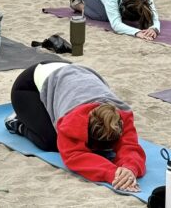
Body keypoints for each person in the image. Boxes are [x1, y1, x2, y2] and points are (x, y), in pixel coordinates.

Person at [7, 63, 145, 190]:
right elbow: (74, 156)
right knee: (50, 142)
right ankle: (17, 122)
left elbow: (130, 146)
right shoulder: (72, 122)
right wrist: (112, 173)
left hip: (74, 73)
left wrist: (130, 168)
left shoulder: (122, 115)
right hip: (30, 84)